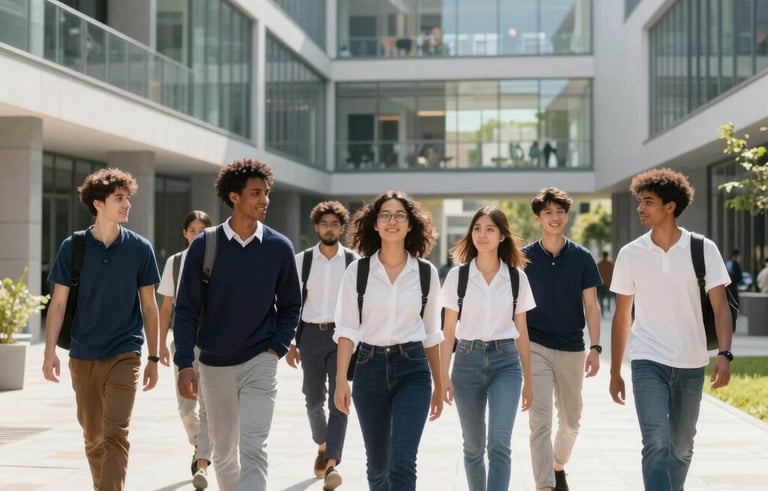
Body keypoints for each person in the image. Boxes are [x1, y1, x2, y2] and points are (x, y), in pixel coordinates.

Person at [173, 159, 302, 491]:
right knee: (225, 452)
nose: (265, 200)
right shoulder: (204, 245)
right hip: (214, 364)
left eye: (267, 193)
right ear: (233, 196)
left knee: (254, 447)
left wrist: (277, 347)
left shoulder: (279, 247)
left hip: (261, 359)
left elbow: (291, 306)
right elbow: (185, 310)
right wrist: (185, 363)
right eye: (256, 193)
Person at [609, 168, 733, 491]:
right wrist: (614, 370)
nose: (640, 208)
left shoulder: (703, 249)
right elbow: (622, 316)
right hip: (647, 359)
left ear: (670, 206)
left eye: (648, 202)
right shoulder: (630, 254)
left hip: (691, 363)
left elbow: (721, 307)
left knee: (680, 447)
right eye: (640, 202)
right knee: (655, 442)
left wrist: (725, 354)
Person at [42, 167, 161, 491]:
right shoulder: (73, 247)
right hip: (83, 354)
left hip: (125, 351)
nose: (127, 205)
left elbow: (149, 306)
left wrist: (153, 356)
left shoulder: (140, 248)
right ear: (98, 204)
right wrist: (49, 350)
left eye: (128, 198)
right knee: (93, 437)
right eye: (119, 198)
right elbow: (58, 304)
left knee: (116, 434)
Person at [333, 190, 444, 491]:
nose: (392, 221)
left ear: (411, 225)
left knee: (403, 461)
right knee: (379, 466)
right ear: (375, 224)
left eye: (399, 215)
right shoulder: (358, 272)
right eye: (385, 215)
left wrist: (440, 382)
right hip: (369, 370)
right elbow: (346, 330)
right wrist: (341, 380)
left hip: (413, 370)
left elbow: (433, 334)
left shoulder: (425, 273)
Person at [440, 206, 535, 491]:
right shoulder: (458, 277)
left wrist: (529, 380)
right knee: (472, 446)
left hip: (506, 362)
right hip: (466, 362)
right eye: (477, 228)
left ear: (503, 236)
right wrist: (442, 376)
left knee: (499, 443)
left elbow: (523, 333)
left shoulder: (517, 278)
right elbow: (447, 332)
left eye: (490, 229)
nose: (482, 235)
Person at [522, 187, 603, 491]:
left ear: (566, 216)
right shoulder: (524, 258)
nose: (554, 218)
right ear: (538, 218)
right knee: (539, 419)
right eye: (548, 213)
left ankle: (558, 465)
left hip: (572, 347)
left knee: (571, 421)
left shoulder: (582, 258)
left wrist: (595, 347)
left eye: (559, 212)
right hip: (536, 345)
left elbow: (592, 306)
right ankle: (544, 485)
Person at [285, 201, 357, 490]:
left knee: (339, 399)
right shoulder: (301, 261)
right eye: (324, 223)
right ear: (316, 227)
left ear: (342, 228)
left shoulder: (354, 263)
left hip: (342, 337)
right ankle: (323, 444)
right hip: (311, 336)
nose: (329, 228)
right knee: (313, 399)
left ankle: (332, 464)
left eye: (335, 224)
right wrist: (291, 341)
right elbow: (291, 304)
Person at [156, 210, 213, 489]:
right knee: (186, 407)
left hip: (215, 343)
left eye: (203, 230)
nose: (197, 234)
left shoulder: (219, 260)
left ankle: (202, 460)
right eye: (192, 229)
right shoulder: (175, 263)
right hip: (184, 343)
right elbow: (166, 307)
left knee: (210, 404)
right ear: (184, 233)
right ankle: (199, 446)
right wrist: (159, 346)